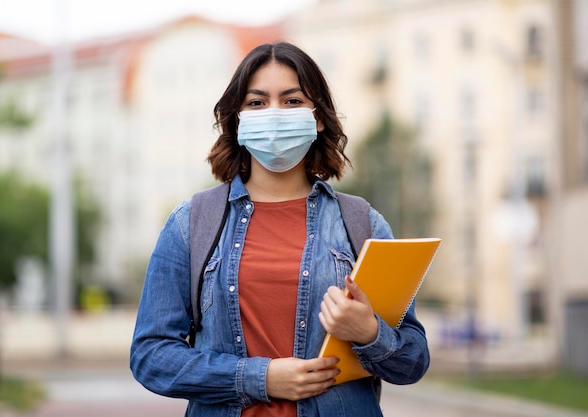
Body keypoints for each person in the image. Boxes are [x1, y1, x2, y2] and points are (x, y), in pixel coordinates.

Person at [130, 41, 429, 417]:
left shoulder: (363, 224)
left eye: (291, 101)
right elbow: (150, 356)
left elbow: (413, 361)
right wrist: (261, 377)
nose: (274, 113)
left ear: (318, 118)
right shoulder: (190, 224)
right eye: (257, 103)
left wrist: (370, 333)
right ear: (237, 119)